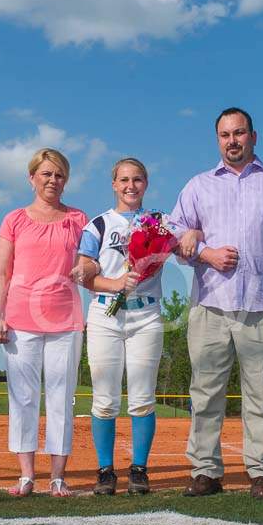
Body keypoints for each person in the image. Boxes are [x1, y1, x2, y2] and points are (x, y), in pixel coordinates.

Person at [171, 107, 263, 499]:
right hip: (211, 305)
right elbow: (175, 234)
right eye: (224, 135)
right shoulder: (198, 186)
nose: (232, 141)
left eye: (239, 133)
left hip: (260, 304)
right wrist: (205, 253)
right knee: (205, 394)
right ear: (217, 139)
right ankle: (205, 472)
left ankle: (262, 473)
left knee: (261, 394)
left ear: (254, 136)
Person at [75, 158, 200, 495]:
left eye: (138, 180)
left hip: (145, 315)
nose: (131, 186)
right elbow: (85, 274)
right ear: (114, 184)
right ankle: (105, 471)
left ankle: (139, 470)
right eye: (124, 180)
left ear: (146, 183)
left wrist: (194, 232)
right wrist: (114, 282)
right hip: (105, 315)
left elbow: (187, 241)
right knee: (104, 400)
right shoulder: (98, 225)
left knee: (143, 398)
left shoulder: (159, 223)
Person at [0, 148, 88, 498]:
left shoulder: (78, 219)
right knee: (23, 398)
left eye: (59, 174)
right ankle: (27, 475)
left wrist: (87, 270)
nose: (53, 180)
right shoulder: (13, 219)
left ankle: (58, 477)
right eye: (46, 173)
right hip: (20, 319)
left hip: (66, 319)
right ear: (32, 177)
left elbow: (88, 266)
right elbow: (2, 270)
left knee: (62, 399)